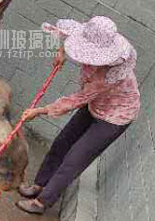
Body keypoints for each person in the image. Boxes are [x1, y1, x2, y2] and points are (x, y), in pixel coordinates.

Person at [15, 16, 140, 215]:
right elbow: (66, 34)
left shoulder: (110, 73)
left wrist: (39, 111)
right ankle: (39, 184)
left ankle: (42, 202)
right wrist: (61, 52)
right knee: (62, 142)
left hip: (115, 117)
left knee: (75, 157)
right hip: (96, 104)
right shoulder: (97, 36)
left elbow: (77, 100)